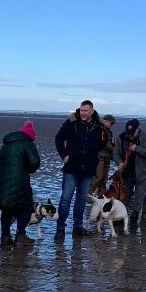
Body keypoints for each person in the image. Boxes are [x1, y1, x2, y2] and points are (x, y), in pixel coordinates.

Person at [53, 100, 103, 241]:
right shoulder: (71, 122)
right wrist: (64, 155)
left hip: (88, 168)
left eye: (85, 111)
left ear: (91, 111)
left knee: (81, 199)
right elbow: (58, 138)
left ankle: (78, 227)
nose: (82, 113)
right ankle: (60, 228)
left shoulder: (98, 125)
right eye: (81, 110)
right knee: (65, 199)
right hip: (71, 167)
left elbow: (101, 144)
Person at [0, 120, 41, 246]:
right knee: (25, 207)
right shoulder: (28, 143)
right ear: (31, 136)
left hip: (1, 179)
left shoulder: (6, 144)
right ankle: (20, 236)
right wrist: (27, 170)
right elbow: (35, 163)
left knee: (7, 209)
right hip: (19, 180)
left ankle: (5, 237)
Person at [113, 118, 146, 229]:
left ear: (137, 129)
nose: (129, 135)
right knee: (125, 196)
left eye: (132, 133)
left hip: (142, 173)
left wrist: (137, 148)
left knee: (139, 196)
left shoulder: (145, 137)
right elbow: (115, 152)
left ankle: (134, 218)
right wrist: (119, 162)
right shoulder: (121, 137)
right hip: (126, 173)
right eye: (128, 132)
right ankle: (121, 217)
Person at [89, 115, 116, 196]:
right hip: (99, 157)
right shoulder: (99, 130)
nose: (112, 124)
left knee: (104, 178)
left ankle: (102, 196)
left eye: (113, 123)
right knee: (99, 177)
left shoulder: (109, 132)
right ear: (105, 121)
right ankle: (88, 193)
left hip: (107, 157)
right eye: (111, 122)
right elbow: (104, 144)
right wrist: (113, 148)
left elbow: (110, 144)